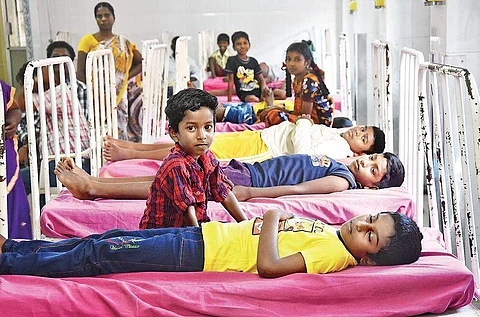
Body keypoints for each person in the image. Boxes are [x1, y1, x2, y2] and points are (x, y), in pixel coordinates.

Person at [0, 210, 423, 278]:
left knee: (104, 254)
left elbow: (270, 266)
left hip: (202, 254)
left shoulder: (333, 254)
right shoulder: (332, 233)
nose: (361, 224)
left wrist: (273, 217)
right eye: (370, 218)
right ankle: (15, 249)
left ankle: (12, 267)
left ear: (371, 258)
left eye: (371, 234)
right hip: (204, 234)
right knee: (108, 239)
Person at [55, 151, 403, 203]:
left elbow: (297, 188)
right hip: (246, 168)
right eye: (371, 158)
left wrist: (249, 192)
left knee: (177, 181)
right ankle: (97, 183)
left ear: (374, 185)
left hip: (246, 180)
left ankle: (93, 186)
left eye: (374, 170)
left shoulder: (342, 182)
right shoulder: (343, 163)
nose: (366, 164)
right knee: (187, 158)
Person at [102, 119, 385, 164]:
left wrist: (302, 122)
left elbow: (303, 153)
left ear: (363, 151)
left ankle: (127, 154)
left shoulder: (339, 149)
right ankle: (131, 146)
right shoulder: (338, 133)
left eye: (364, 138)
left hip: (264, 148)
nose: (358, 132)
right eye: (363, 128)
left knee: (195, 145)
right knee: (196, 140)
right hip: (261, 136)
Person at [15, 46, 90, 201]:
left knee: (15, 180)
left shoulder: (58, 93)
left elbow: (18, 103)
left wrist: (29, 81)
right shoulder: (51, 93)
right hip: (59, 161)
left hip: (70, 163)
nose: (54, 71)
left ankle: (23, 223)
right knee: (35, 182)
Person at [77, 2, 143, 141]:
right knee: (99, 134)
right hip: (96, 96)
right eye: (99, 16)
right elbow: (80, 71)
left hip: (119, 96)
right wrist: (89, 92)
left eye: (107, 15)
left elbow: (141, 62)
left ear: (113, 17)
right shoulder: (88, 40)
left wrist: (124, 78)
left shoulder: (123, 42)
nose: (103, 19)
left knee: (119, 130)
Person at [261, 41, 333, 128]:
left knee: (272, 115)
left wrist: (276, 111)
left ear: (307, 62)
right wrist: (275, 108)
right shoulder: (296, 79)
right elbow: (298, 112)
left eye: (297, 59)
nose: (292, 64)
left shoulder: (309, 81)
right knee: (267, 112)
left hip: (316, 125)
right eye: (289, 59)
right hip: (303, 119)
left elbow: (305, 118)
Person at [0, 80, 32, 239]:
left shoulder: (0, 87)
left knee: (15, 223)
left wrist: (13, 121)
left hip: (6, 169)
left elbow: (14, 108)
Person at [225, 31, 267, 103]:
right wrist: (229, 101)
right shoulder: (232, 60)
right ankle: (261, 100)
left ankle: (263, 99)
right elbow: (231, 82)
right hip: (245, 94)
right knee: (254, 99)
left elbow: (262, 80)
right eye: (238, 44)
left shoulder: (253, 61)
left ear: (249, 45)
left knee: (282, 94)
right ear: (234, 47)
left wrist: (263, 92)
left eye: (245, 43)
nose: (242, 46)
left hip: (258, 90)